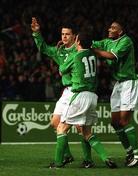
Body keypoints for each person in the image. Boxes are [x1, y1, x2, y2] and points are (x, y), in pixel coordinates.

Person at [31, 17, 94, 168]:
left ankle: (87, 159)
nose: (64, 37)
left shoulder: (80, 50)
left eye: (67, 34)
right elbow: (44, 48)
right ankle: (67, 156)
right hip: (66, 92)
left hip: (78, 91)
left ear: (74, 37)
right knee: (55, 123)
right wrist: (37, 33)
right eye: (62, 34)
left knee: (81, 128)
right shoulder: (58, 51)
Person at [49, 31, 117, 169]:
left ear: (78, 42)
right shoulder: (92, 54)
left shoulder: (75, 56)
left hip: (79, 95)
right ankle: (105, 158)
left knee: (61, 128)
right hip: (92, 96)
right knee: (86, 132)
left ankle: (57, 163)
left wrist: (62, 51)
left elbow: (61, 70)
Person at [93, 20, 138, 167]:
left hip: (129, 83)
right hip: (118, 84)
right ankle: (130, 151)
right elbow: (94, 43)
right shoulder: (108, 42)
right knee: (115, 123)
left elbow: (112, 56)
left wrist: (96, 52)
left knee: (124, 121)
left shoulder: (126, 41)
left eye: (113, 28)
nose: (110, 29)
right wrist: (76, 42)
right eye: (109, 27)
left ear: (120, 32)